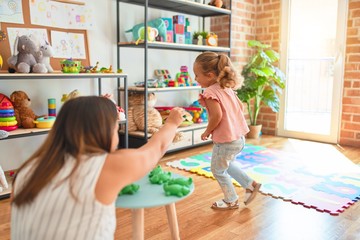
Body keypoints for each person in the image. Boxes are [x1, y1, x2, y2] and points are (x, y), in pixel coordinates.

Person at [10, 96, 185, 239]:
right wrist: (171, 123)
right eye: (116, 127)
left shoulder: (26, 170)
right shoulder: (105, 166)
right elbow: (156, 149)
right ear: (105, 130)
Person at [193, 51, 261, 210]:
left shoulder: (210, 92)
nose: (195, 79)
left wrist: (207, 131)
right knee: (226, 164)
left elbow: (216, 116)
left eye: (197, 75)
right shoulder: (226, 88)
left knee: (217, 170)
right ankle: (250, 184)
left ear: (209, 75)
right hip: (238, 138)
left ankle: (231, 199)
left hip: (225, 141)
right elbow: (240, 107)